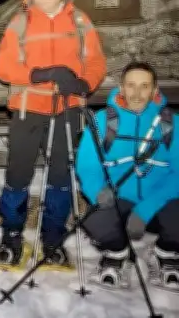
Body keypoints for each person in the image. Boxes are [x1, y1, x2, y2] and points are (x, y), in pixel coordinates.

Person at [0, 0, 106, 269]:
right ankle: (11, 234)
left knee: (60, 176)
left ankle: (53, 237)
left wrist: (85, 83)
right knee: (17, 175)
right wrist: (41, 73)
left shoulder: (81, 22)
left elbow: (96, 63)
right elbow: (2, 67)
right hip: (29, 108)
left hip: (67, 109)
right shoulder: (21, 22)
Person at [77, 62, 179, 292]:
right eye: (131, 85)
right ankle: (116, 253)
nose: (137, 93)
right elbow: (88, 166)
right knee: (95, 218)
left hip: (159, 201)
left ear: (155, 90)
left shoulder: (171, 124)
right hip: (118, 198)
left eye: (144, 86)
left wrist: (145, 211)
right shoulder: (103, 121)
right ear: (121, 88)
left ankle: (165, 251)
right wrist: (98, 192)